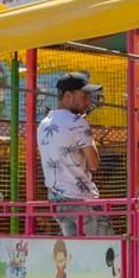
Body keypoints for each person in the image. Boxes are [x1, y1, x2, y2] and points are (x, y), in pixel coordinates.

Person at [37, 75, 107, 236]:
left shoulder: (44, 124)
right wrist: (87, 134)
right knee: (107, 247)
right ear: (68, 96)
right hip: (80, 197)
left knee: (75, 250)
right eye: (84, 97)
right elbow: (94, 164)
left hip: (56, 198)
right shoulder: (78, 122)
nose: (88, 102)